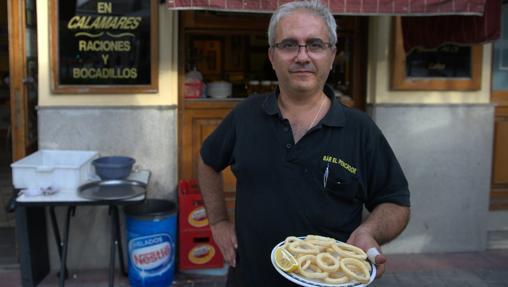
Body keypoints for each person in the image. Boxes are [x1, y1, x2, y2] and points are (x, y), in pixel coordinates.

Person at [198, 1, 411, 286]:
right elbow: (207, 161)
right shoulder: (244, 116)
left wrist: (369, 231)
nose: (302, 56)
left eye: (315, 44)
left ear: (332, 55)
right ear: (272, 56)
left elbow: (395, 202)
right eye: (288, 45)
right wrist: (218, 222)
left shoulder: (360, 130)